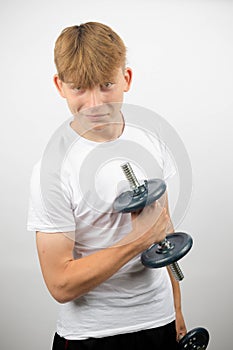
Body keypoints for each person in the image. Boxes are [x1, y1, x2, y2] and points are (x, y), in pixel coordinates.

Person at [27, 22, 187, 350]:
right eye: (80, 89)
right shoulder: (51, 170)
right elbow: (60, 284)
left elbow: (163, 232)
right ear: (60, 86)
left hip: (159, 322)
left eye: (106, 84)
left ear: (126, 79)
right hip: (92, 336)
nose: (96, 103)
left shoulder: (151, 139)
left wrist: (177, 308)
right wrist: (135, 242)